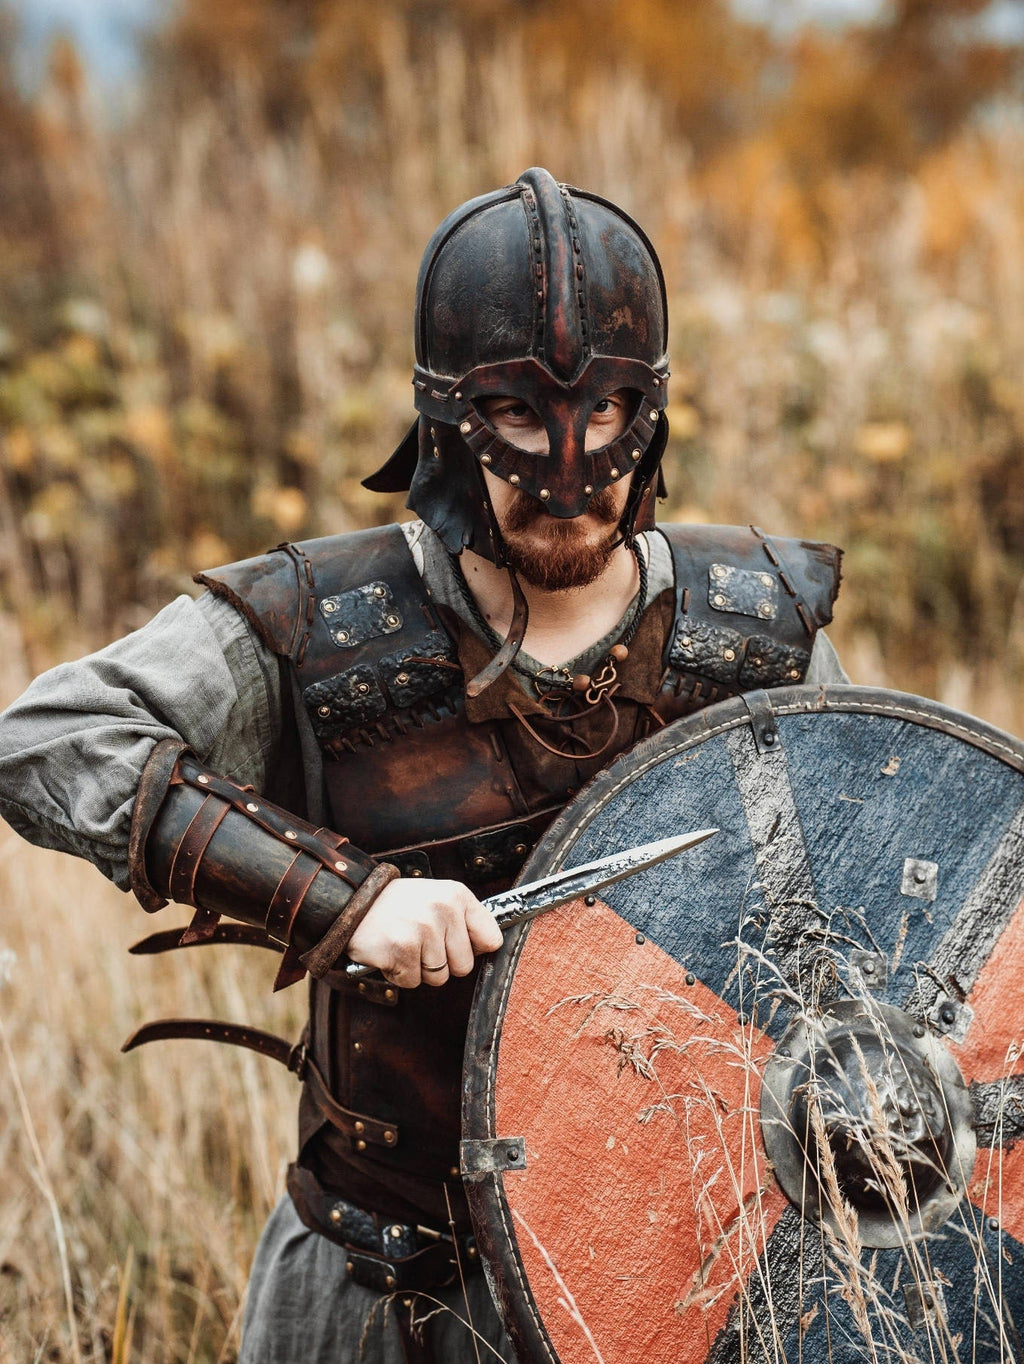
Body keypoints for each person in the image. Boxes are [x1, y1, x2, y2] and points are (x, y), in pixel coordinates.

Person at [0, 167, 845, 1364]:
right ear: (448, 423)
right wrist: (345, 899)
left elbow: (900, 900)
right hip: (380, 1280)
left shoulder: (755, 634)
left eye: (604, 413)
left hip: (670, 1285)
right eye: (517, 421)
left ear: (650, 412)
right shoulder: (324, 625)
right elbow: (43, 737)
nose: (567, 472)